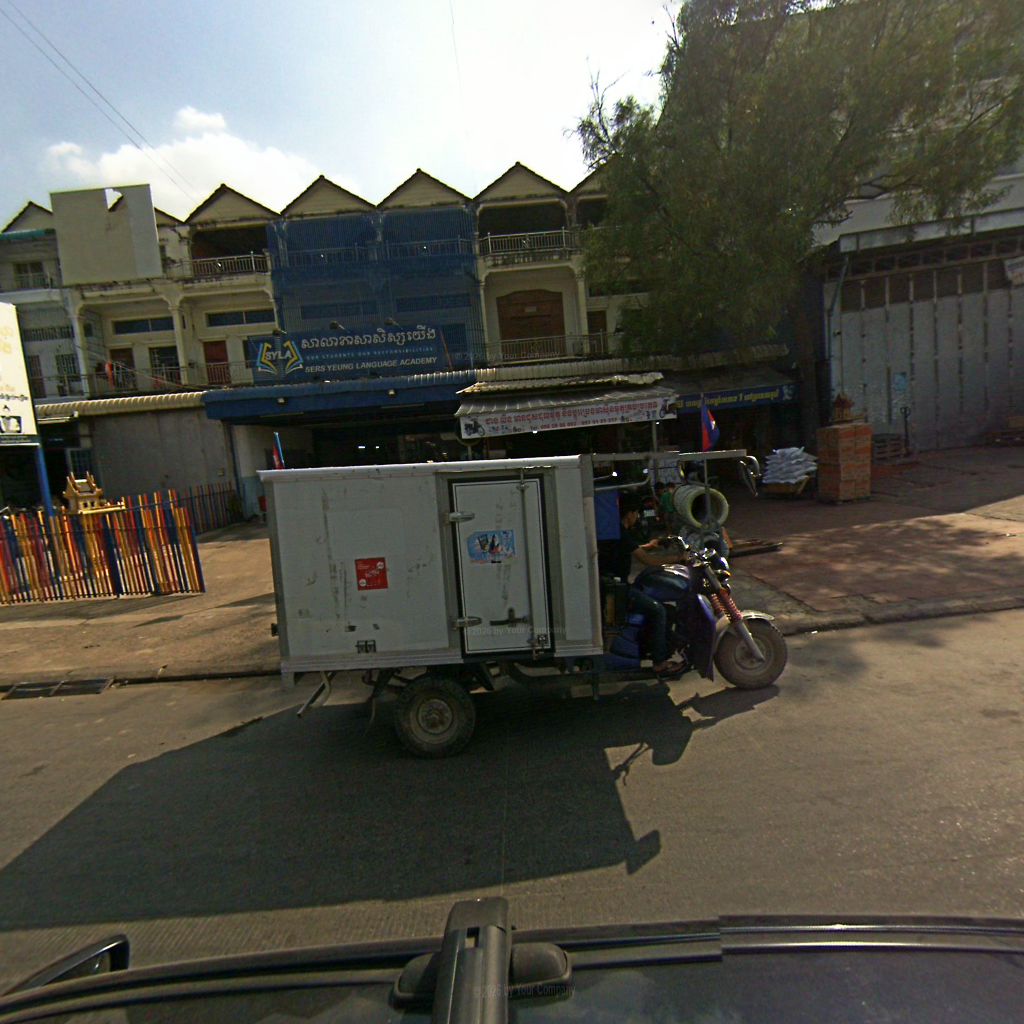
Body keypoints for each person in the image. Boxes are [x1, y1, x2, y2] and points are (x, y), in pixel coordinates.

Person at [598, 497, 687, 676]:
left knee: (659, 606)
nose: (637, 517)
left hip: (615, 585)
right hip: (616, 588)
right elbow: (647, 560)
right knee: (658, 610)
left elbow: (633, 548)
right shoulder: (620, 533)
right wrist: (678, 559)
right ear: (629, 514)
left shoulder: (615, 530)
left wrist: (651, 545)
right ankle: (659, 663)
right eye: (636, 513)